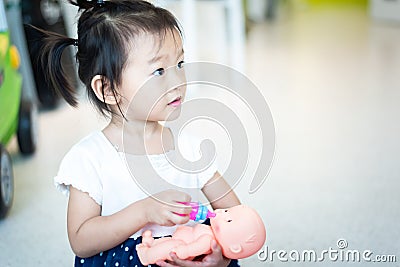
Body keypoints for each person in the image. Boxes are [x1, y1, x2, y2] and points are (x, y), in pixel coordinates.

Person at [38, 0, 241, 266]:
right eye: (158, 71)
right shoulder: (89, 159)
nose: (177, 81)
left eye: (179, 64)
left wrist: (222, 255)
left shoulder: (190, 148)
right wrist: (143, 212)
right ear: (108, 89)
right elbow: (81, 240)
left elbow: (235, 215)